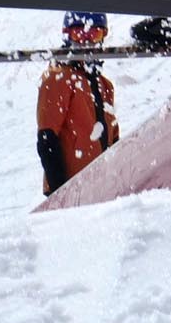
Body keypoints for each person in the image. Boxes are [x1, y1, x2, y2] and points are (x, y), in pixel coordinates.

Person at [37, 11, 120, 194]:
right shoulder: (58, 77)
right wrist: (61, 191)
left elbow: (113, 138)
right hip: (72, 185)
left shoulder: (104, 85)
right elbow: (46, 137)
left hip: (102, 186)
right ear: (67, 36)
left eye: (94, 34)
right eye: (79, 34)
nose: (87, 42)